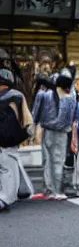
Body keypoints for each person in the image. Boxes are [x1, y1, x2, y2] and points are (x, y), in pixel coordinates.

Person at [31, 73, 76, 200]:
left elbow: (35, 114)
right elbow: (67, 119)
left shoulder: (43, 95)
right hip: (61, 133)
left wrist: (34, 128)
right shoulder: (69, 98)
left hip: (47, 132)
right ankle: (57, 191)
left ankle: (48, 190)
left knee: (47, 162)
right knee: (58, 161)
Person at [0, 69, 34, 211]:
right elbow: (27, 120)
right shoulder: (17, 96)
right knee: (8, 170)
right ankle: (4, 200)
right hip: (9, 142)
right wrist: (29, 134)